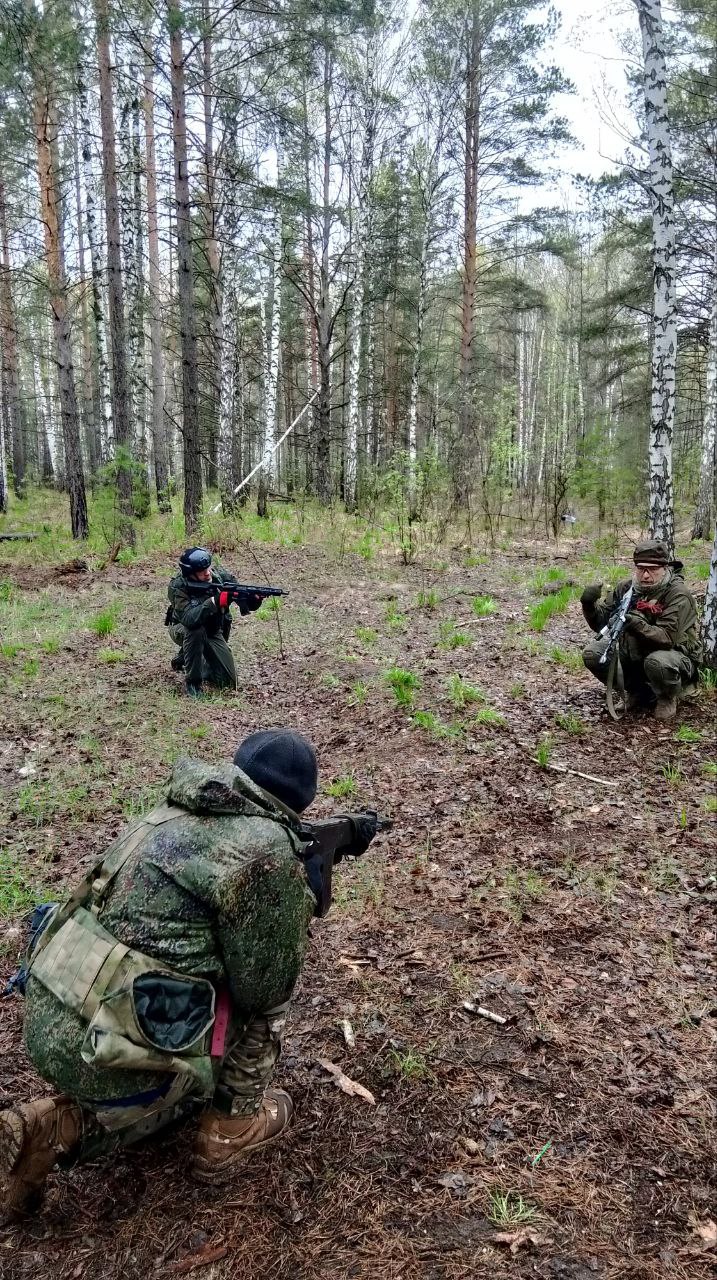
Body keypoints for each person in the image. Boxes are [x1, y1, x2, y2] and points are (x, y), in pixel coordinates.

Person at [0, 730, 383, 1219]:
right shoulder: (264, 850)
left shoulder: (175, 808)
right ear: (302, 798)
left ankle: (51, 1127)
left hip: (54, 1014)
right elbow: (265, 985)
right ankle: (229, 1131)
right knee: (267, 999)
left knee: (179, 1069)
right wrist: (298, 897)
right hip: (112, 1047)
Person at [580, 539, 702, 721]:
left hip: (673, 656)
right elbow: (603, 624)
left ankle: (667, 697)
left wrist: (635, 623)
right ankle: (637, 692)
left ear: (665, 568)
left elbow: (666, 638)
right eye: (641, 568)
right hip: (635, 652)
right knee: (593, 654)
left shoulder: (678, 594)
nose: (645, 575)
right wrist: (589, 605)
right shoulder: (626, 588)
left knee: (657, 662)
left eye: (652, 569)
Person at [167, 547, 262, 698]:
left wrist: (253, 599)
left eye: (208, 568)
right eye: (201, 571)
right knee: (196, 631)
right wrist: (214, 602)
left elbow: (243, 599)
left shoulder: (220, 577)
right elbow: (189, 619)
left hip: (212, 628)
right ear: (190, 573)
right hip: (182, 628)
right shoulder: (178, 586)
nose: (207, 573)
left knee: (228, 682)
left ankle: (187, 656)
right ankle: (193, 683)